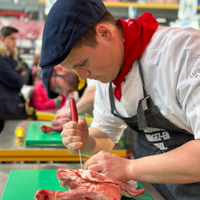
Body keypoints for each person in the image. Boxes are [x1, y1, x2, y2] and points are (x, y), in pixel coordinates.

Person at [39, 0, 200, 199]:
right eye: (74, 68)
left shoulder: (185, 53)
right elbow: (105, 136)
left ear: (104, 33)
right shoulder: (107, 75)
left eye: (83, 63)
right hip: (167, 188)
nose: (82, 76)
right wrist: (86, 140)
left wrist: (129, 167)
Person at [0, 26, 26, 132]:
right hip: (4, 106)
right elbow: (16, 80)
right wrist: (20, 76)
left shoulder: (13, 58)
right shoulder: (1, 59)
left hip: (13, 103)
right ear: (2, 39)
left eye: (16, 39)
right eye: (12, 39)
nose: (14, 42)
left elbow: (25, 75)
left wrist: (21, 76)